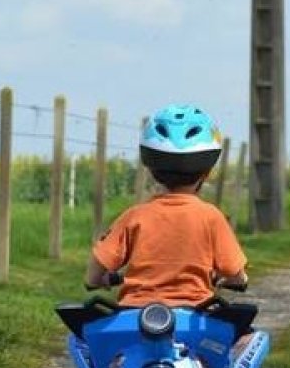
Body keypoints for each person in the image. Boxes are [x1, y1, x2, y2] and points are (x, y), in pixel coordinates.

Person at [86, 103, 248, 306]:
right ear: (207, 172)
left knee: (84, 336)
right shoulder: (211, 217)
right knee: (246, 336)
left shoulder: (134, 216)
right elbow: (235, 272)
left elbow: (93, 274)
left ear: (150, 169)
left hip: (134, 315)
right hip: (194, 316)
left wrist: (100, 279)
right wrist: (234, 280)